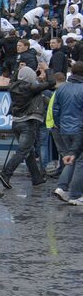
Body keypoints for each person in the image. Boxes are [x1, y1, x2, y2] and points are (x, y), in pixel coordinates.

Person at [0, 64, 53, 189]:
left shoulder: (12, 86)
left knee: (29, 152)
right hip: (28, 122)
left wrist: (19, 68)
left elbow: (14, 78)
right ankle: (6, 173)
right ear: (30, 77)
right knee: (23, 151)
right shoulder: (31, 87)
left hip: (16, 122)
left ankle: (36, 178)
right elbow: (51, 82)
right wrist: (47, 68)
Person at [53, 60, 83, 204]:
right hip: (79, 129)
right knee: (79, 162)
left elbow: (55, 109)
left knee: (71, 159)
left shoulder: (61, 88)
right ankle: (76, 194)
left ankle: (62, 187)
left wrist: (59, 125)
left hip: (64, 128)